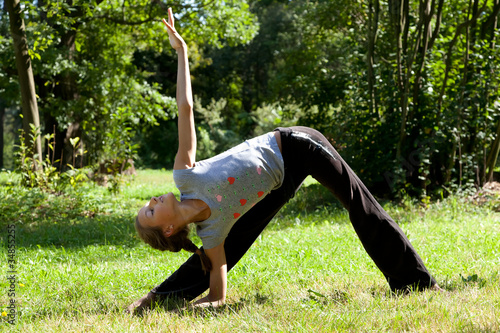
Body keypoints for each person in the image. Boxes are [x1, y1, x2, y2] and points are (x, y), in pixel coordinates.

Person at [127, 8, 441, 314]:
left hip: (296, 145)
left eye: (149, 204)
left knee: (358, 202)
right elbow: (217, 296)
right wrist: (195, 308)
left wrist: (181, 52)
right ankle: (160, 296)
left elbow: (185, 108)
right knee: (234, 242)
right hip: (280, 178)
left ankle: (415, 282)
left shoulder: (185, 176)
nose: (153, 199)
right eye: (151, 210)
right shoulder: (211, 234)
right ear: (168, 229)